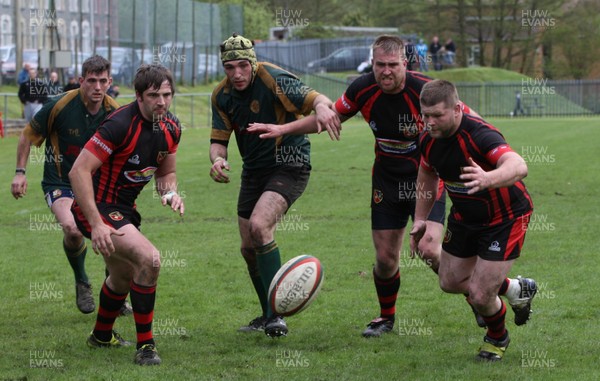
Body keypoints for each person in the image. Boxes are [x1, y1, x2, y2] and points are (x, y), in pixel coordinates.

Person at [248, 35, 533, 339]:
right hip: (386, 181)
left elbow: (468, 121)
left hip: (425, 182)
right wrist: (283, 128)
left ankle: (480, 297)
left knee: (429, 250)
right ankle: (387, 317)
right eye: (379, 65)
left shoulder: (424, 91)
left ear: (405, 64)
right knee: (385, 259)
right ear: (372, 63)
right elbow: (328, 118)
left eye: (392, 65)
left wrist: (491, 157)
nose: (385, 71)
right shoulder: (363, 88)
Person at [209, 33, 340, 338]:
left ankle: (275, 315)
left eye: (243, 66)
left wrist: (322, 106)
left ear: (252, 64)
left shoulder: (273, 79)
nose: (237, 73)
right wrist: (217, 160)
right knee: (247, 249)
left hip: (289, 163)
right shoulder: (221, 95)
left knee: (259, 226)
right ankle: (269, 314)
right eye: (230, 68)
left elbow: (317, 99)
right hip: (254, 172)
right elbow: (218, 142)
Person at [410, 79, 537, 361]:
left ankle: (497, 338)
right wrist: (420, 218)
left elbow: (518, 165)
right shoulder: (428, 139)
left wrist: (487, 178)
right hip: (466, 216)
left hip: (505, 218)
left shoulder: (480, 135)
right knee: (450, 281)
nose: (430, 122)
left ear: (457, 109)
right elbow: (427, 174)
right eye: (425, 115)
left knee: (480, 295)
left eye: (437, 115)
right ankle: (517, 289)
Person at [69, 64, 183, 365]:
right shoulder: (119, 124)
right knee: (150, 259)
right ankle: (146, 347)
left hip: (124, 211)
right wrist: (96, 224)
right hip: (95, 207)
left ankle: (101, 336)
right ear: (139, 96)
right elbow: (78, 171)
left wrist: (170, 193)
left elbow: (166, 172)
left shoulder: (172, 128)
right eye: (154, 95)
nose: (161, 101)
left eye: (167, 94)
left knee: (121, 276)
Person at [11, 55, 126, 315]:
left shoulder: (115, 112)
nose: (98, 87)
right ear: (81, 80)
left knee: (115, 236)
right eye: (92, 81)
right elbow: (27, 135)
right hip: (60, 182)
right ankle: (82, 280)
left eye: (103, 81)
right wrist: (20, 173)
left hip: (98, 185)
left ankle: (115, 293)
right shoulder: (59, 106)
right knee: (72, 230)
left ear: (110, 82)